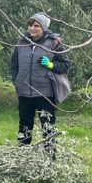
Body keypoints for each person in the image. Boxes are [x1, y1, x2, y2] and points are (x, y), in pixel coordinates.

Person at [10, 11, 70, 148]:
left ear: (43, 28)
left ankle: (50, 159)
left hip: (45, 93)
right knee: (24, 126)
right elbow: (14, 65)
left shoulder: (54, 43)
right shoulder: (21, 42)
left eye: (36, 25)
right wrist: (17, 81)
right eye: (30, 25)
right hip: (24, 92)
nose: (32, 28)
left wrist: (51, 65)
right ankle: (23, 156)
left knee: (48, 127)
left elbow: (65, 66)